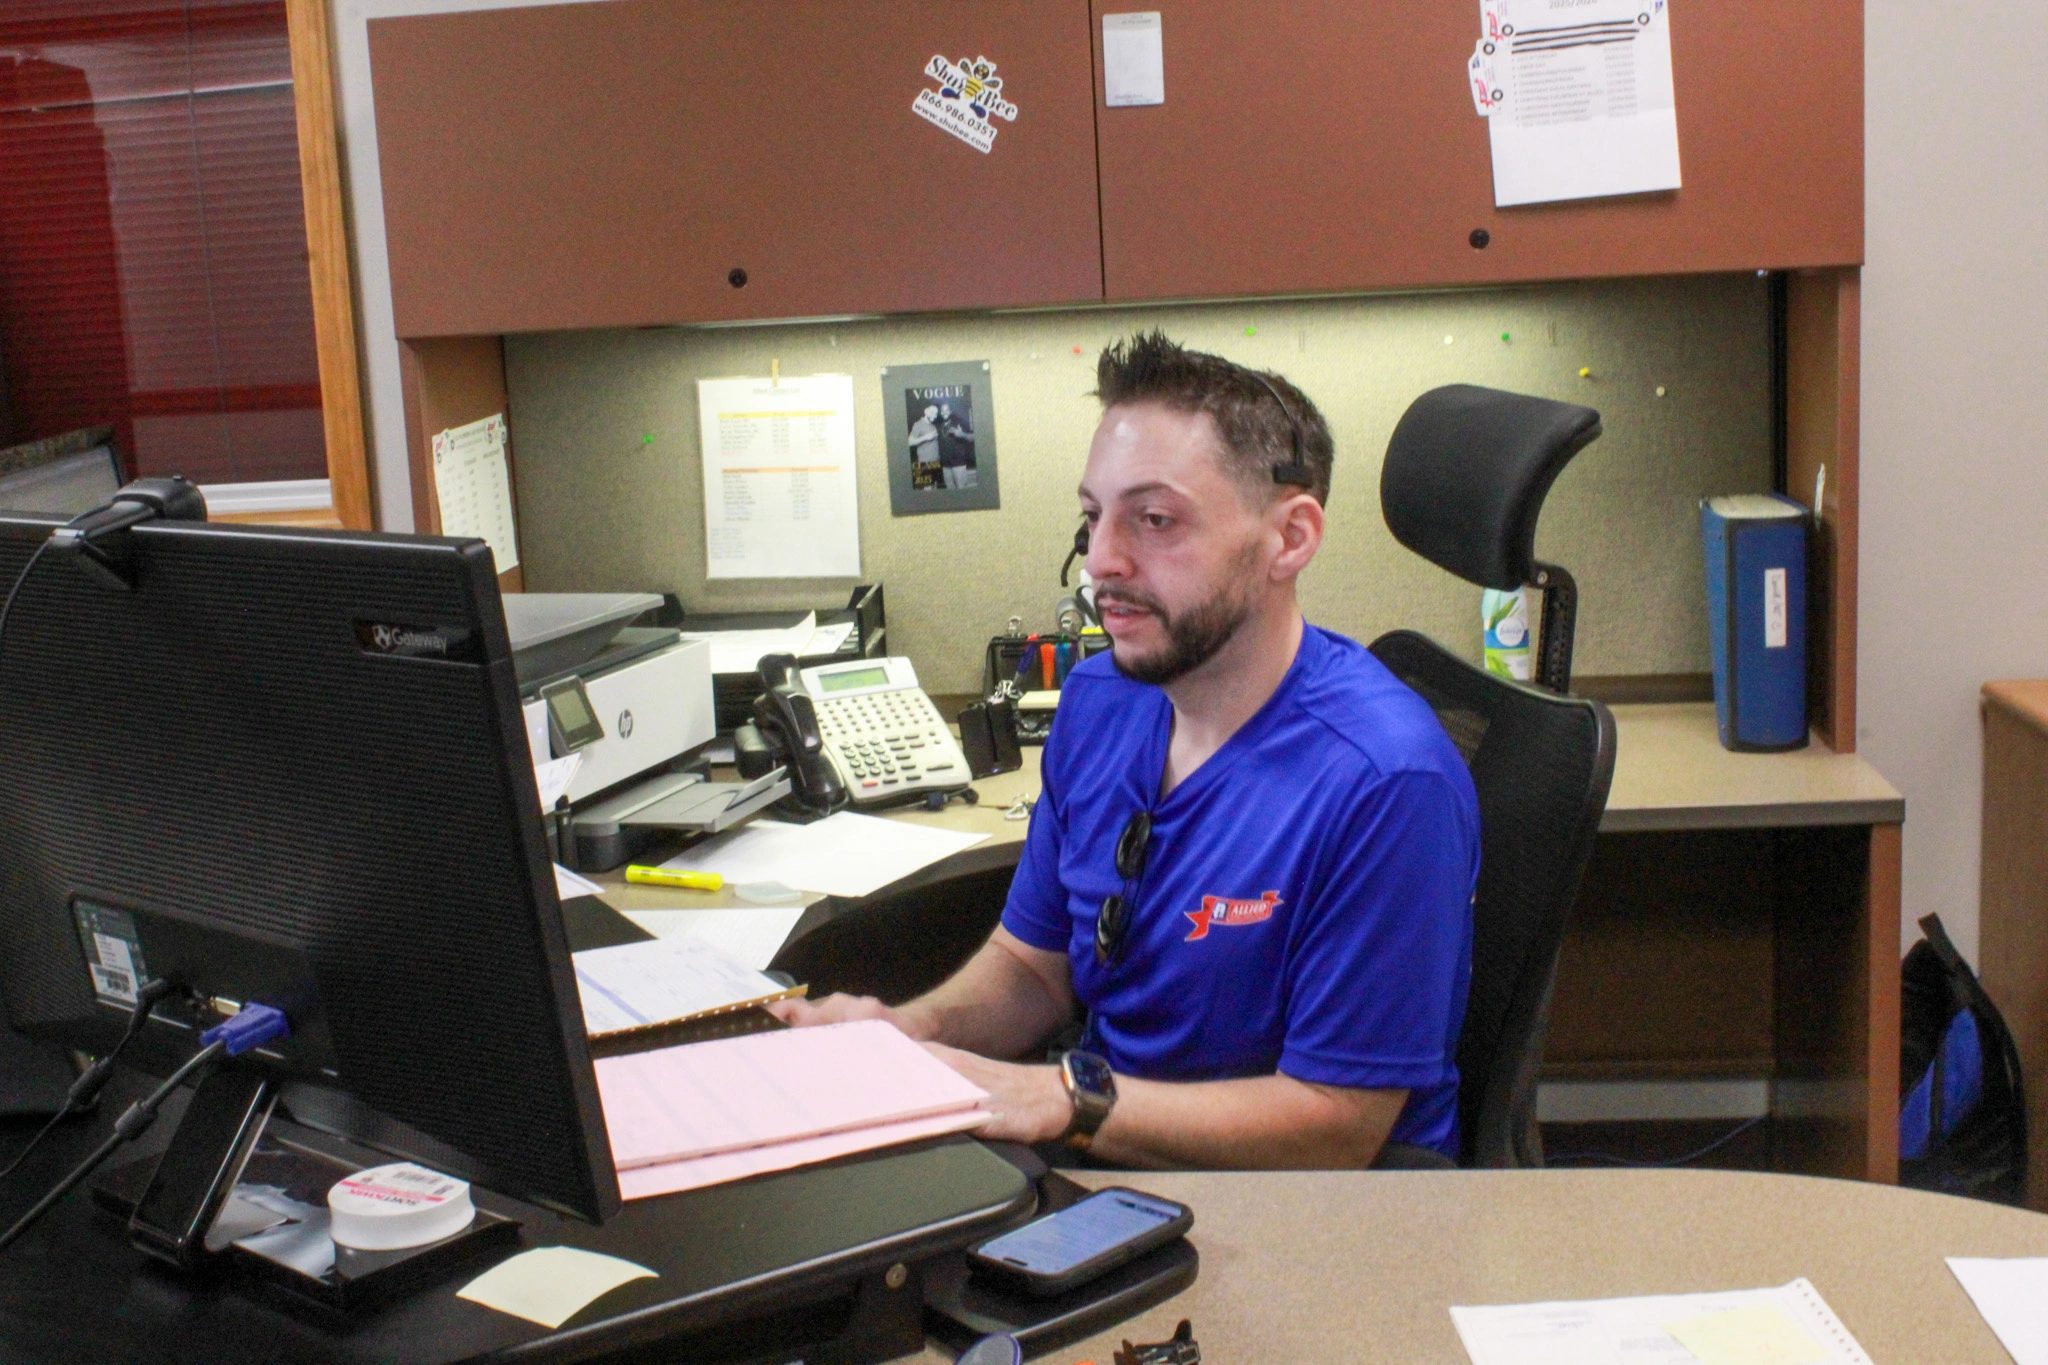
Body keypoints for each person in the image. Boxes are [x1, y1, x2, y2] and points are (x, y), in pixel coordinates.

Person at [775, 332, 1479, 1169]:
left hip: (1306, 1204)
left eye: (1154, 519)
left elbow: (1336, 1123)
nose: (1102, 561)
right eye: (1093, 516)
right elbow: (1035, 970)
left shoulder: (1385, 780)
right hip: (1108, 1146)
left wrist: (1058, 1098)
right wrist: (908, 1032)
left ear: (1289, 539)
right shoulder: (1101, 699)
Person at [937, 401, 977, 489]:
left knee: (961, 490)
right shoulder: (939, 426)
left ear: (950, 411)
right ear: (940, 412)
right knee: (950, 491)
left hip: (958, 464)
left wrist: (962, 434)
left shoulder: (959, 423)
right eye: (942, 410)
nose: (945, 412)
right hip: (946, 466)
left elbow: (973, 437)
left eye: (947, 410)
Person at [907, 403, 940, 487]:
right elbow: (910, 442)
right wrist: (926, 437)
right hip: (925, 463)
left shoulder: (933, 426)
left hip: (936, 461)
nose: (935, 416)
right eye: (933, 413)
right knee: (928, 488)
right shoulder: (918, 424)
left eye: (936, 413)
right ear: (926, 412)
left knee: (935, 486)